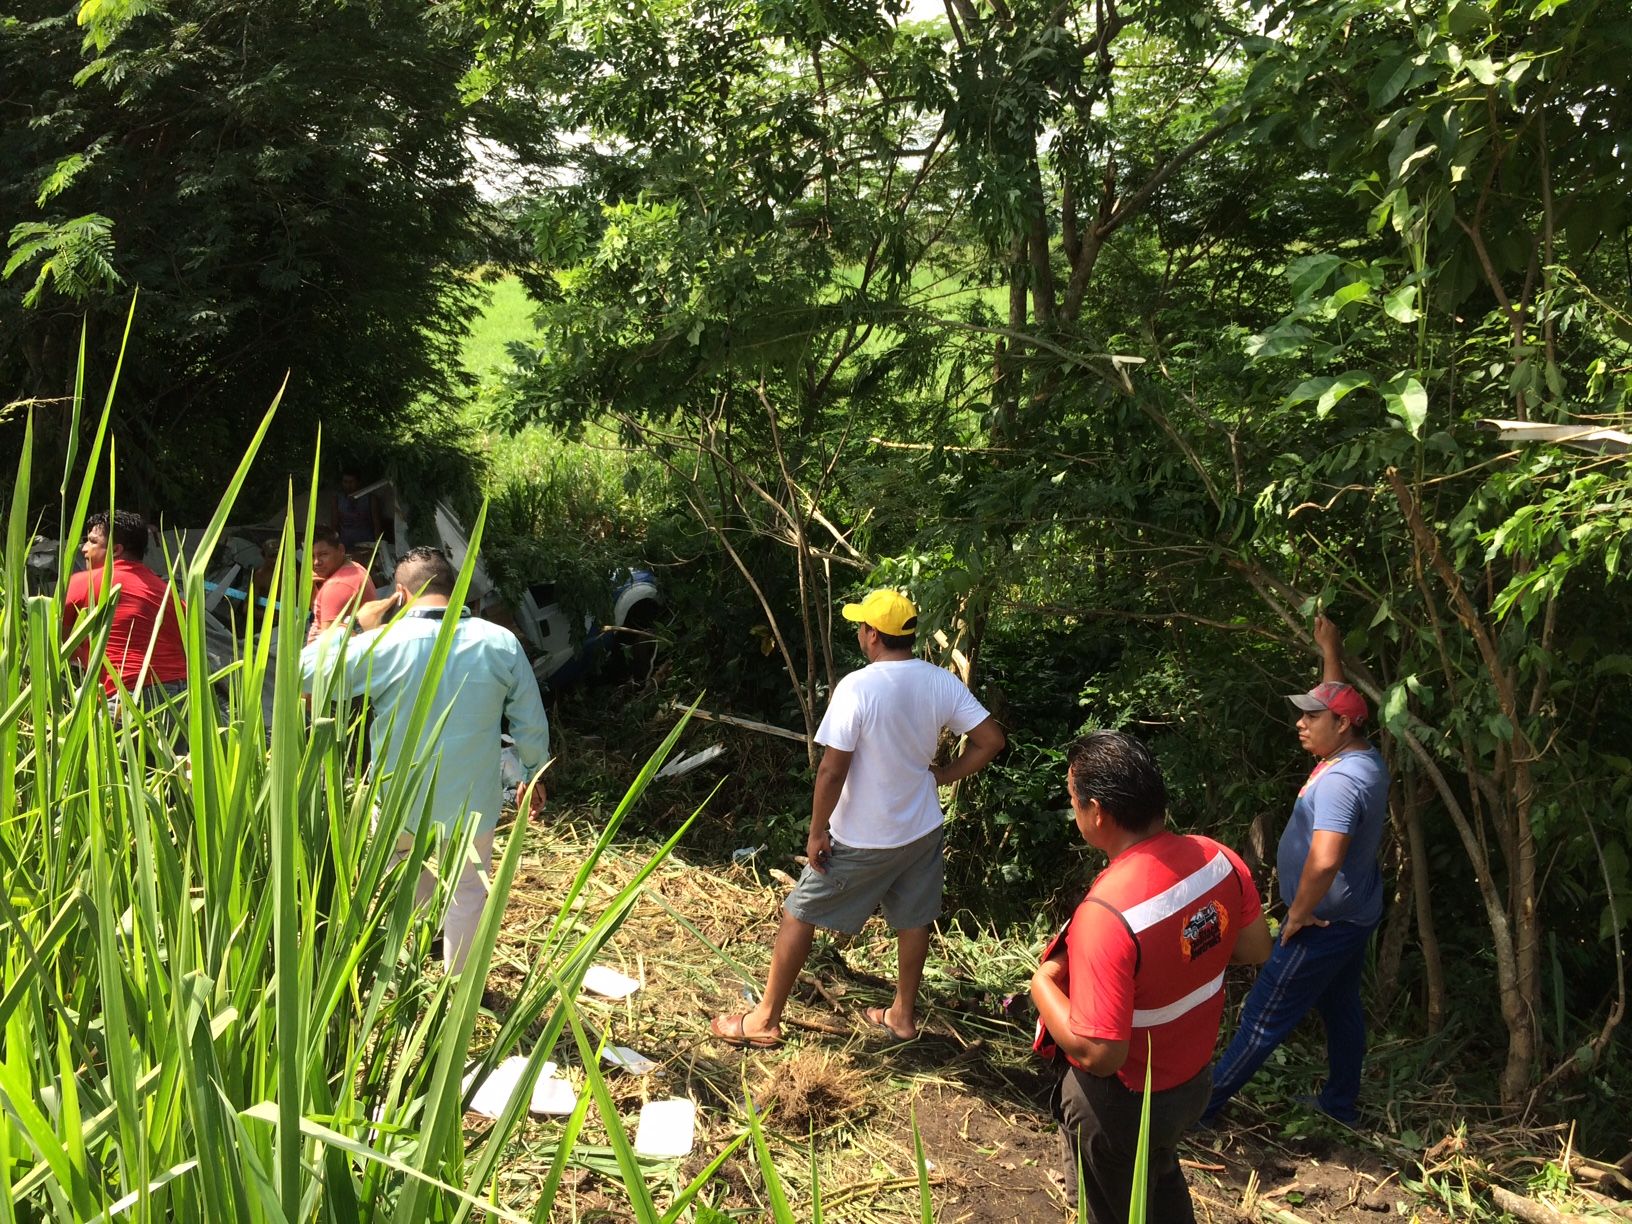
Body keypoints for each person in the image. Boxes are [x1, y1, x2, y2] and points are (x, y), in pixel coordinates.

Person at [710, 589, 1006, 1048]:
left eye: (861, 627)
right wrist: (945, 775)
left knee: (798, 913)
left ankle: (764, 1019)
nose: (859, 634)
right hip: (921, 830)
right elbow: (990, 740)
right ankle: (902, 1015)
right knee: (913, 920)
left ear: (872, 634)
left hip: (864, 838)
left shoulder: (858, 687)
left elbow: (832, 768)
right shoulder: (939, 682)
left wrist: (816, 831)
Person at [1031, 731, 1270, 1224]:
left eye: (1073, 800)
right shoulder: (1216, 858)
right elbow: (1253, 947)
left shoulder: (1106, 913)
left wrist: (1041, 985)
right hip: (1192, 1083)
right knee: (1156, 1174)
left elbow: (1100, 1053)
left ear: (1096, 812)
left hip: (1124, 1104)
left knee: (1115, 1203)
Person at [299, 545, 550, 974]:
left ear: (400, 593)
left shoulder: (381, 643)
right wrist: (533, 771)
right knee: (469, 889)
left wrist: (352, 626)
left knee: (402, 870)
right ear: (455, 590)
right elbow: (529, 717)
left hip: (400, 797)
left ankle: (417, 950)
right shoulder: (500, 641)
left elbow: (305, 672)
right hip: (473, 797)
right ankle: (459, 989)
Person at [1201, 614, 1391, 1127]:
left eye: (1312, 718)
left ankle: (1204, 1108)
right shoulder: (1356, 755)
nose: (1301, 725)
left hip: (1323, 924)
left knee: (1264, 1014)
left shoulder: (1342, 781)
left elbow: (1326, 858)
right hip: (1356, 912)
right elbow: (1334, 695)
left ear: (1342, 724)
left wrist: (1298, 916)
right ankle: (1340, 1105)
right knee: (1341, 1006)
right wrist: (1330, 646)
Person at [62, 510, 190, 727]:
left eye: (92, 542)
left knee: (82, 752)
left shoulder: (86, 582)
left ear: (115, 549)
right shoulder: (168, 593)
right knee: (164, 762)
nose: (84, 549)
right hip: (183, 698)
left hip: (130, 694)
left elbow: (57, 646)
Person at [307, 526, 376, 643]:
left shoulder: (338, 584)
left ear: (341, 550)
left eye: (323, 554)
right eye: (312, 556)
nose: (316, 562)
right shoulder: (353, 567)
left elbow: (327, 649)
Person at [331, 469, 385, 561]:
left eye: (351, 482)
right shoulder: (337, 499)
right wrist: (333, 545)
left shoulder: (371, 499)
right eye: (345, 482)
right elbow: (334, 523)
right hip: (346, 543)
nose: (348, 485)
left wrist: (378, 546)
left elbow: (377, 524)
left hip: (366, 542)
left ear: (358, 482)